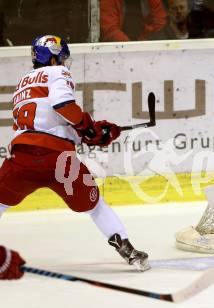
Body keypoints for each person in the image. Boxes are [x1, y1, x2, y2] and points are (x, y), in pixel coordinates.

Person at [0, 35, 149, 271]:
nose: (63, 62)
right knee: (95, 204)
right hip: (59, 159)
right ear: (53, 56)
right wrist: (91, 129)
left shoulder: (22, 84)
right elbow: (63, 107)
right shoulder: (57, 73)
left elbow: (45, 123)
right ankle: (128, 250)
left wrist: (89, 132)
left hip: (22, 157)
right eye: (61, 57)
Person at [100, 0, 167, 41]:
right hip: (118, 51)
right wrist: (133, 47)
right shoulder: (107, 1)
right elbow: (110, 31)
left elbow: (160, 23)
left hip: (145, 45)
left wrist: (146, 42)